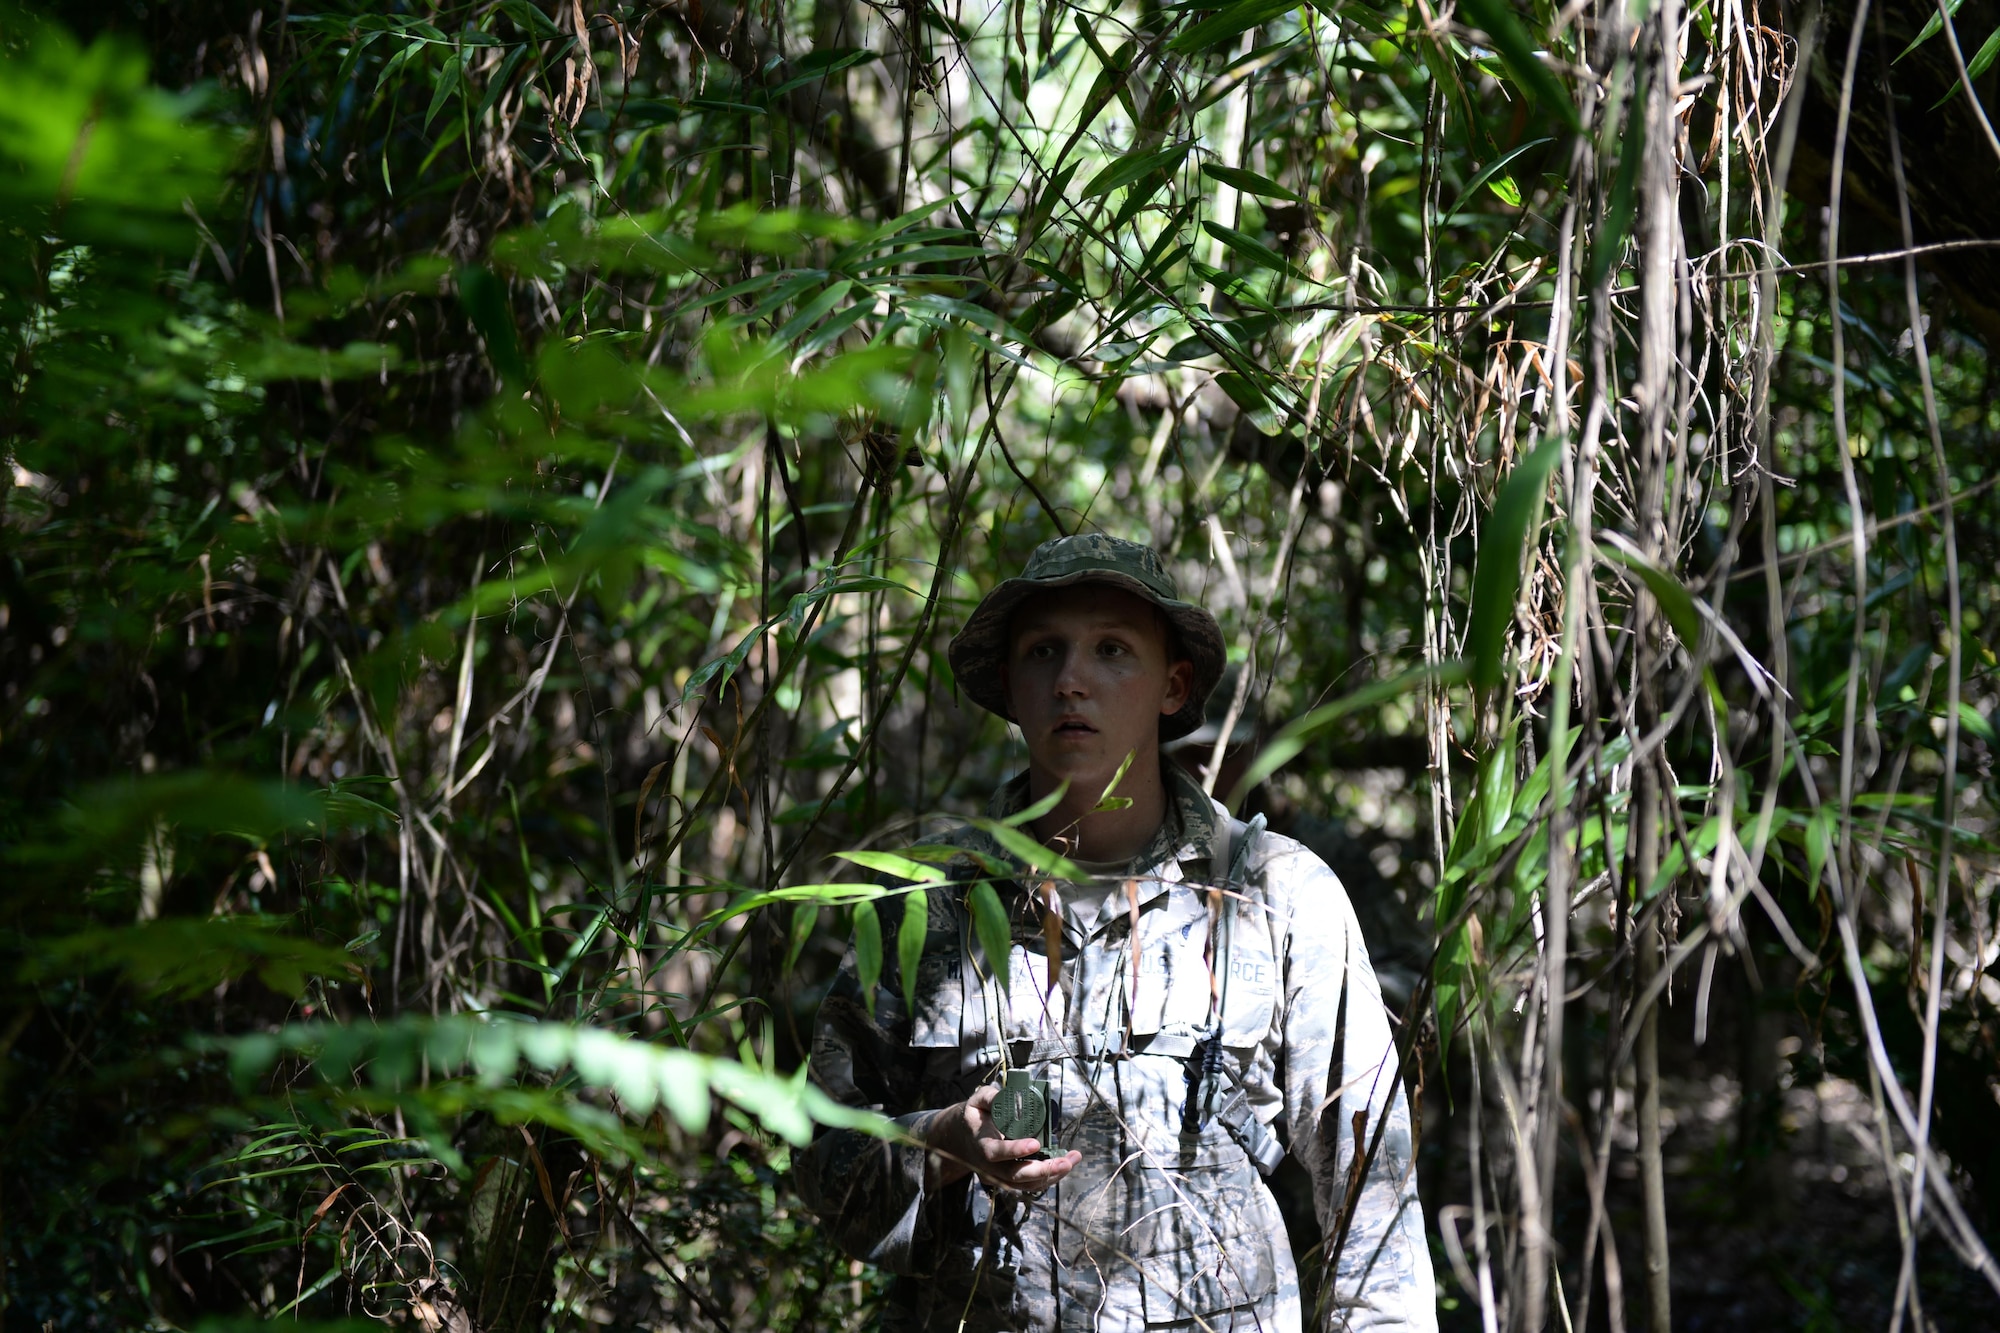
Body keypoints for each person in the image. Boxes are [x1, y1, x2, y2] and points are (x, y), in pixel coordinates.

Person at [795, 534, 1435, 1333]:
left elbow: (1374, 1194)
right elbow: (822, 1156)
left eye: (1111, 650)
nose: (1071, 680)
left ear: (1173, 686)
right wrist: (939, 1141)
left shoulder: (1275, 892)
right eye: (1043, 651)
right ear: (1009, 683)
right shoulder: (925, 907)